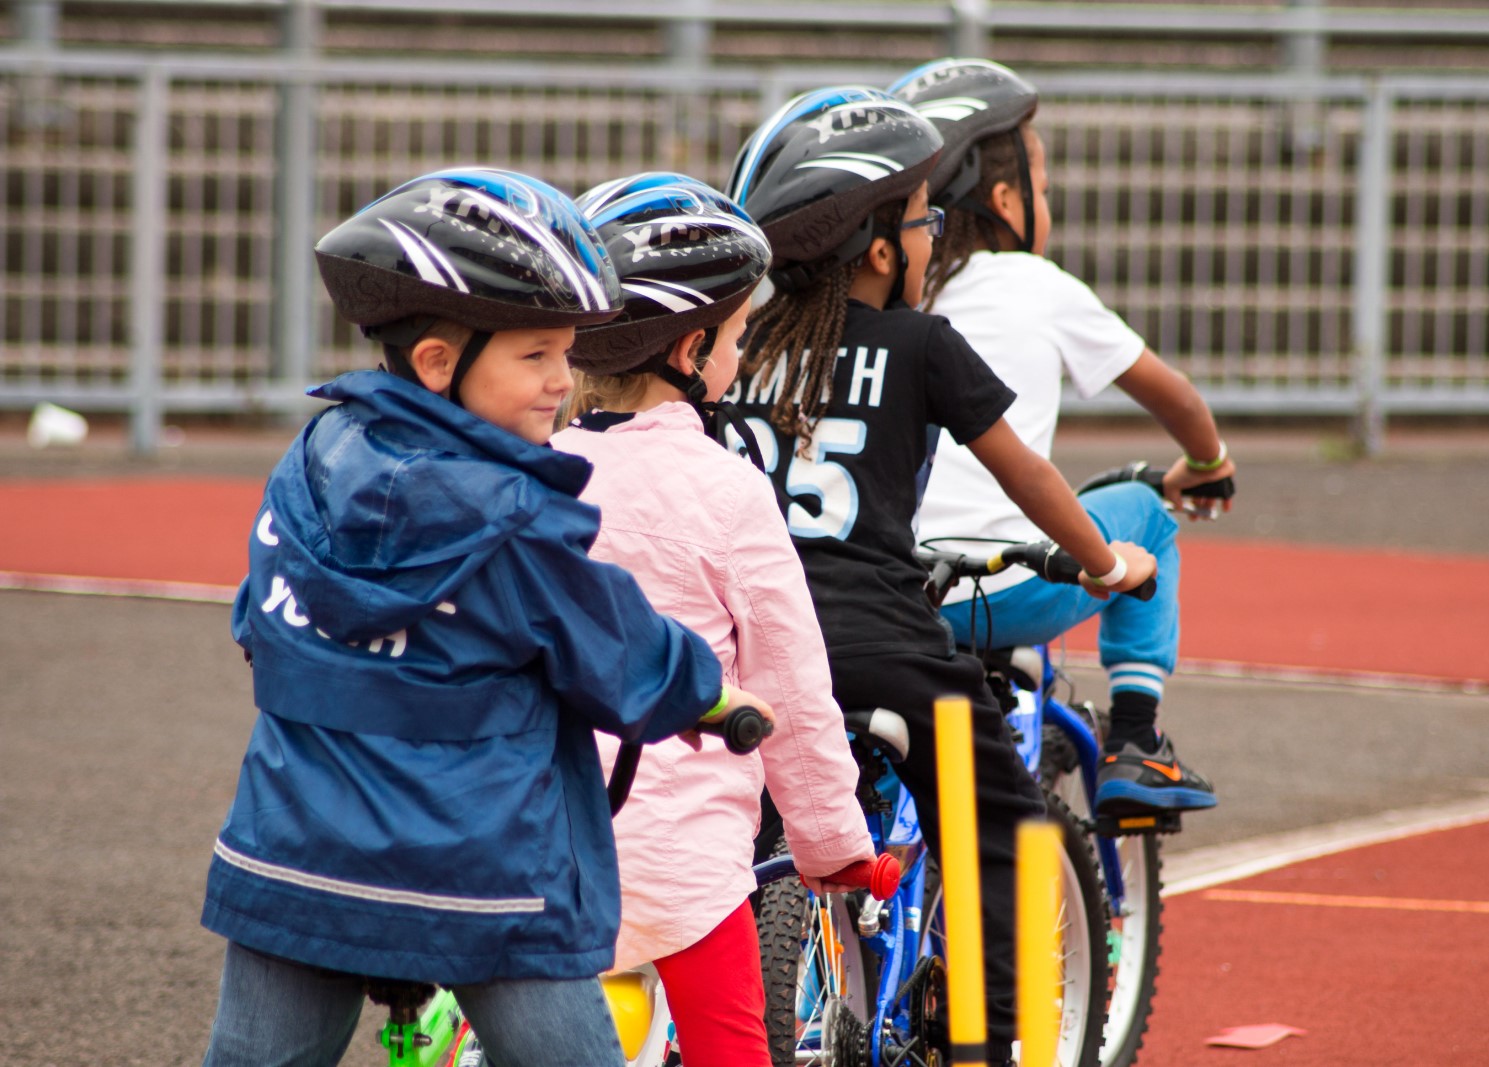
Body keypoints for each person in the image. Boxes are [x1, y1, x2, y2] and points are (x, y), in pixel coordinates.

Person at [198, 167, 774, 1067]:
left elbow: (255, 620)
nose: (563, 380)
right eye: (536, 354)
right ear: (439, 361)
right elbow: (620, 652)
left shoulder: (309, 462)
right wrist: (710, 691)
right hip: (482, 876)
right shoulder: (512, 520)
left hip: (295, 855)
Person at [721, 86, 1156, 1066]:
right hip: (880, 642)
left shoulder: (742, 354)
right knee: (1002, 819)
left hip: (749, 642)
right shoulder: (919, 344)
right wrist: (1102, 560)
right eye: (921, 220)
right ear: (880, 248)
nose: (930, 239)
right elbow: (1026, 474)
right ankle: (984, 1043)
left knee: (732, 823)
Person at [549, 172, 877, 1067]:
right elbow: (792, 687)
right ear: (692, 351)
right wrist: (832, 845)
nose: (738, 353)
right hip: (682, 868)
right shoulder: (729, 490)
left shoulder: (536, 465)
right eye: (735, 336)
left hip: (548, 850)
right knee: (734, 1050)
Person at [890, 58, 1235, 817]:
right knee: (1147, 518)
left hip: (896, 586)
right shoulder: (1034, 283)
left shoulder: (901, 296)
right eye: (1042, 189)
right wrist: (1207, 462)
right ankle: (1137, 741)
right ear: (1008, 200)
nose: (1048, 202)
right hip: (1005, 588)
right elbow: (1174, 395)